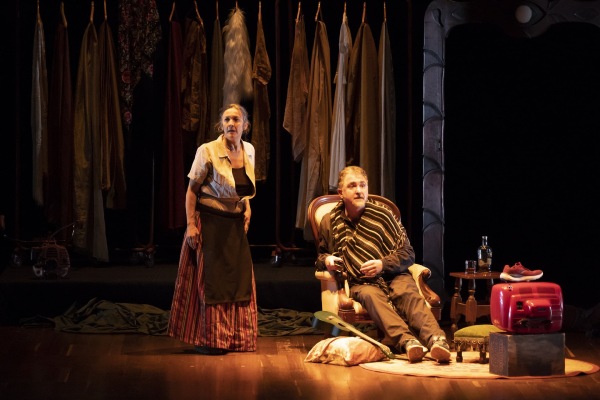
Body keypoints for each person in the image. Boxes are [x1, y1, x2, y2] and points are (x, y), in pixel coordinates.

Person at [315, 166, 451, 363]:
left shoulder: (383, 215)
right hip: (360, 281)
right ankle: (408, 342)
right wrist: (327, 260)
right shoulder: (330, 221)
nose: (359, 190)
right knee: (371, 295)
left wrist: (382, 264)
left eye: (362, 185)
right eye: (352, 186)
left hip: (394, 273)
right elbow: (321, 256)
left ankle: (437, 340)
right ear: (341, 192)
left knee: (407, 293)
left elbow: (408, 254)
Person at [168, 104, 257, 355]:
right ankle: (210, 339)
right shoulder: (207, 151)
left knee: (238, 282)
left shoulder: (249, 150)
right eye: (227, 119)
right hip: (210, 224)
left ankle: (236, 338)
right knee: (213, 283)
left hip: (235, 226)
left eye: (236, 119)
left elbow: (243, 186)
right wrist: (190, 225)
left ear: (245, 125)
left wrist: (247, 206)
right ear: (221, 125)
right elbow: (191, 192)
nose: (231, 124)